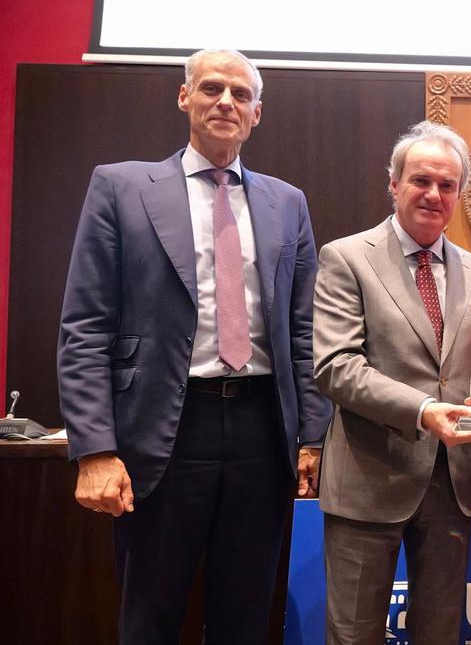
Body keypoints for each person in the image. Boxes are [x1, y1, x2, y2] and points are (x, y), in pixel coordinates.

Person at [58, 48, 331, 643]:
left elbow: (305, 329)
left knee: (245, 616)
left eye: (240, 94)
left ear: (258, 113)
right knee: (151, 615)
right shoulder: (121, 187)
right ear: (185, 97)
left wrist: (313, 436)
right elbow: (85, 325)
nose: (225, 102)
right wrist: (94, 449)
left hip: (264, 432)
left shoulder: (287, 202)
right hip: (162, 431)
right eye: (211, 88)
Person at [313, 120, 471, 645]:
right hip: (369, 480)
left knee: (438, 635)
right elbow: (336, 366)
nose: (433, 194)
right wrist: (424, 410)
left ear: (460, 193)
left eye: (447, 185)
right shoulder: (346, 257)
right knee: (354, 636)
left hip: (452, 486)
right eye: (421, 180)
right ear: (394, 183)